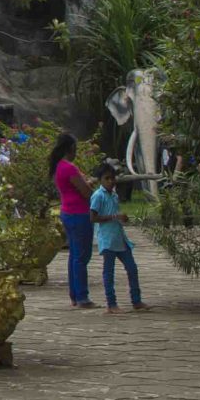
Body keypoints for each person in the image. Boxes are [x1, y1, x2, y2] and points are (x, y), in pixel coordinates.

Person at [90, 161, 145, 312]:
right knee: (109, 272)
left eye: (112, 178)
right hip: (107, 239)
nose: (110, 181)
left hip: (119, 237)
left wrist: (121, 218)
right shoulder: (97, 196)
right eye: (107, 178)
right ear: (100, 179)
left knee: (132, 268)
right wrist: (115, 216)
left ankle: (137, 300)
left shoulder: (114, 195)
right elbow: (93, 217)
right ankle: (111, 304)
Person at [51, 132, 94, 310]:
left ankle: (76, 294)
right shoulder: (69, 168)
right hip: (79, 213)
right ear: (71, 149)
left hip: (67, 211)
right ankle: (82, 295)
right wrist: (89, 184)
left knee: (74, 255)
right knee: (82, 255)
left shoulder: (59, 167)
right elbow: (85, 191)